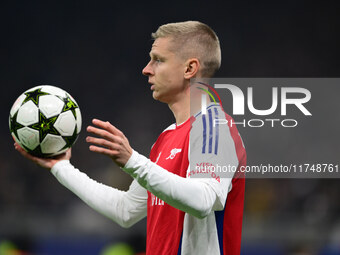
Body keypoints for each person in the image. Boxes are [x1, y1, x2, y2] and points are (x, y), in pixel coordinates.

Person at [14, 21, 246, 255]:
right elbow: (125, 211)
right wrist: (61, 167)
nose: (146, 69)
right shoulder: (166, 139)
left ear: (189, 69)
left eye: (158, 59)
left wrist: (132, 161)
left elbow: (205, 199)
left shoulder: (215, 127)